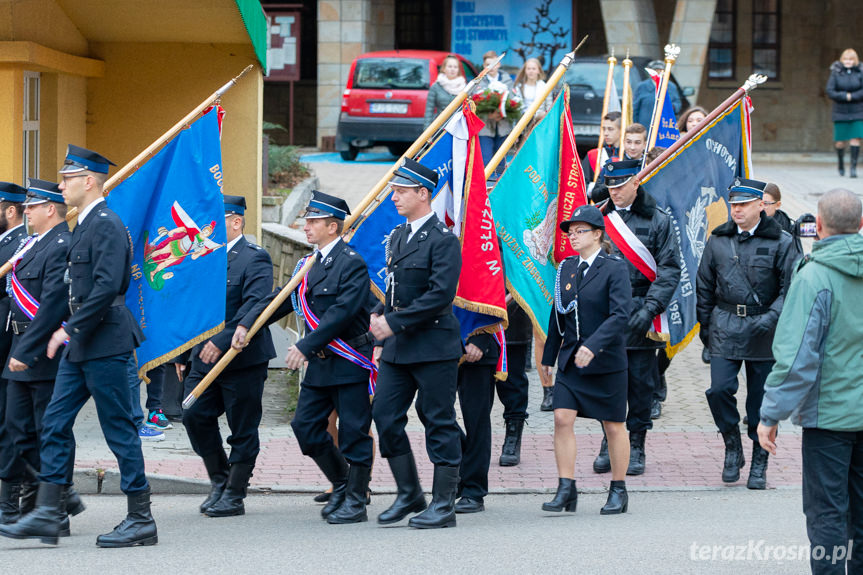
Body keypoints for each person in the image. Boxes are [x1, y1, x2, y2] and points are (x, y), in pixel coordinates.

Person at [0, 146, 153, 547]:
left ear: (89, 182)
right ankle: (49, 512)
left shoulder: (104, 223)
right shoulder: (84, 225)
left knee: (119, 430)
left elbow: (105, 288)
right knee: (53, 423)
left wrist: (67, 329)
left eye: (68, 178)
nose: (62, 185)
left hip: (105, 341)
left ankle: (141, 517)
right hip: (82, 343)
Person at [233, 191, 376, 524]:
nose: (306, 227)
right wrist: (247, 324)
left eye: (313, 222)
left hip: (349, 359)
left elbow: (341, 313)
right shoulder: (308, 264)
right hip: (322, 363)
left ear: (332, 225)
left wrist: (305, 345)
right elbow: (278, 300)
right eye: (306, 221)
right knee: (306, 428)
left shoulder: (351, 262)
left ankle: (356, 499)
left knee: (354, 431)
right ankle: (341, 483)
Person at [757, 188, 863, 575]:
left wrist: (770, 413)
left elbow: (798, 357)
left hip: (830, 417)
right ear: (861, 225)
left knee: (827, 516)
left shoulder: (814, 276)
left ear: (817, 226)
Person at [369, 158, 463, 529]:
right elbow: (395, 289)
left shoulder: (443, 240)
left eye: (401, 191)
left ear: (423, 194)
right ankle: (409, 492)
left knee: (438, 419)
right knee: (385, 416)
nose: (394, 197)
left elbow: (440, 295)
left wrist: (393, 321)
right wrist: (380, 311)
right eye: (395, 191)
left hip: (433, 344)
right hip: (399, 346)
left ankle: (444, 504)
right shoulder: (398, 236)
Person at [696, 178, 797, 490]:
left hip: (765, 332)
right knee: (718, 390)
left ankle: (759, 463)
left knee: (760, 403)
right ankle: (731, 444)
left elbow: (791, 287)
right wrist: (707, 331)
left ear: (760, 206)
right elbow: (704, 286)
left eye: (743, 204)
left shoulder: (782, 241)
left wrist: (770, 319)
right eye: (733, 204)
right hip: (726, 326)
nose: (736, 210)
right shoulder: (718, 240)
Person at [180, 195, 275, 518]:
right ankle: (219, 479)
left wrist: (222, 340)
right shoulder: (203, 257)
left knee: (242, 426)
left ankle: (235, 493)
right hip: (202, 356)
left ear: (236, 222)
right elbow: (191, 307)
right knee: (193, 415)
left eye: (215, 220)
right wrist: (181, 353)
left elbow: (256, 304)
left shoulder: (254, 258)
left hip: (242, 358)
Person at [0, 180, 84, 532]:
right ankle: (55, 496)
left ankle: (54, 510)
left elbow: (52, 304)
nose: (27, 212)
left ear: (50, 209)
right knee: (16, 431)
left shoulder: (61, 245)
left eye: (32, 206)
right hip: (20, 350)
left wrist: (27, 350)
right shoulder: (32, 244)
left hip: (44, 353)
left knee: (48, 431)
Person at [542, 205, 632, 515]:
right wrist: (549, 355)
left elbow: (622, 315)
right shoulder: (566, 267)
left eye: (580, 231)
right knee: (561, 418)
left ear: (597, 234)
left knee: (614, 426)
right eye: (570, 231)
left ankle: (618, 489)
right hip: (572, 360)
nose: (573, 236)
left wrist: (593, 346)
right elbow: (559, 314)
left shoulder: (615, 267)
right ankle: (566, 487)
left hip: (606, 361)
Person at [594, 159, 681, 476]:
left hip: (641, 314)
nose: (614, 193)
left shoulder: (658, 220)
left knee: (640, 386)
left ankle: (638, 442)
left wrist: (650, 308)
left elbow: (669, 269)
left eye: (620, 186)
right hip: (605, 314)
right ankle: (608, 441)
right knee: (607, 384)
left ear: (636, 183)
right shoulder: (599, 219)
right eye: (610, 187)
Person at [0, 183, 28, 522]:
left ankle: (14, 500)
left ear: (10, 211)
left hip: (10, 346)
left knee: (11, 423)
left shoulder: (19, 245)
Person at [498, 294, 531, 465]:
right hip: (478, 312)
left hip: (513, 315)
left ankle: (513, 436)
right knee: (476, 391)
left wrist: (509, 298)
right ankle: (475, 442)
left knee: (513, 383)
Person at [825, 48, 863, 177]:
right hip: (840, 111)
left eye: (851, 59)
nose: (848, 62)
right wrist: (844, 96)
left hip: (857, 110)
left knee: (856, 139)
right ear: (842, 60)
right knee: (840, 141)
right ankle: (841, 162)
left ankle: (853, 168)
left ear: (855, 60)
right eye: (846, 59)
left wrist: (852, 96)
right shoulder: (836, 72)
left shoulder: (860, 71)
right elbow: (830, 90)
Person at [590, 124, 648, 206]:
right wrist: (612, 182)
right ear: (623, 142)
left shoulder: (649, 165)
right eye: (629, 142)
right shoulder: (613, 163)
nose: (632, 147)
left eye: (637, 143)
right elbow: (595, 196)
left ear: (645, 144)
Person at [477, 50, 514, 169]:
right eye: (488, 64)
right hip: (485, 127)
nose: (491, 67)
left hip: (503, 126)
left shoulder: (507, 80)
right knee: (486, 160)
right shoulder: (479, 81)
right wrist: (489, 114)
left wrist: (503, 112)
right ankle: (486, 186)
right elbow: (475, 101)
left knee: (501, 161)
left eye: (494, 64)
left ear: (499, 64)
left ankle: (498, 186)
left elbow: (513, 101)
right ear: (484, 66)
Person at [633, 60, 682, 129]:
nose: (658, 73)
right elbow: (635, 108)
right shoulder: (642, 86)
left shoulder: (671, 87)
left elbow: (677, 104)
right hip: (645, 125)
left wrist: (671, 106)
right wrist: (636, 125)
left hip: (665, 125)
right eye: (655, 70)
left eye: (661, 70)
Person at [582, 111, 622, 189]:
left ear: (621, 130)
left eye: (610, 129)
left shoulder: (629, 154)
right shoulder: (593, 155)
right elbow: (582, 185)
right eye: (604, 129)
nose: (606, 133)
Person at [424, 55, 465, 128]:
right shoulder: (436, 86)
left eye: (455, 67)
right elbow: (429, 111)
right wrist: (426, 132)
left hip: (459, 128)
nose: (452, 69)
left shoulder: (465, 87)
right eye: (450, 66)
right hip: (440, 128)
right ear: (444, 69)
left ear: (458, 70)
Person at [762, 183, 802, 253]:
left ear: (778, 205)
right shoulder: (750, 223)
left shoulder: (788, 229)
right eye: (759, 203)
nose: (761, 207)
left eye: (765, 204)